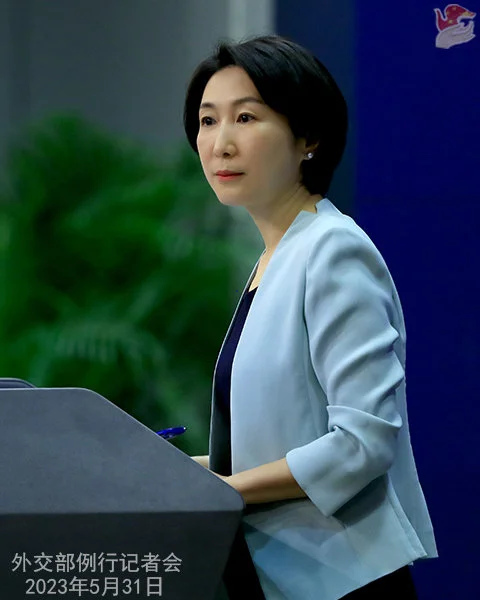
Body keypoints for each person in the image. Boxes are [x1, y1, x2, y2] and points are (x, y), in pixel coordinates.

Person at [184, 34, 437, 600]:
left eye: (245, 117)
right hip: (276, 575)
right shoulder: (276, 256)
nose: (221, 144)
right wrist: (174, 471)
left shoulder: (332, 249)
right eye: (207, 121)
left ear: (309, 138)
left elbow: (363, 442)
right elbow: (274, 441)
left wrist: (226, 489)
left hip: (340, 580)